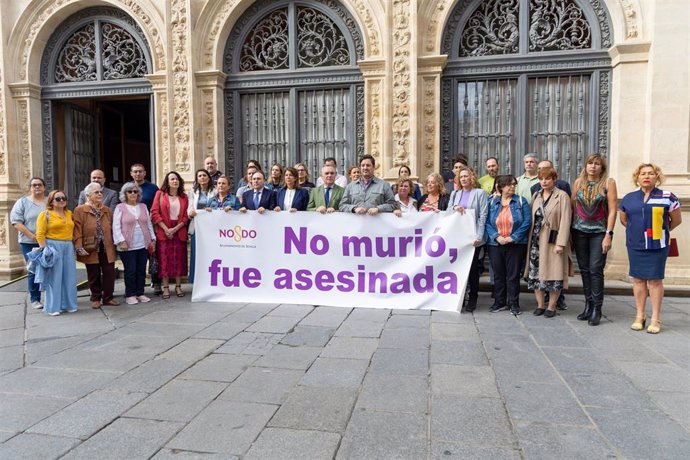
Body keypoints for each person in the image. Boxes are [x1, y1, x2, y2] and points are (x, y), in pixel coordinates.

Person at [620, 163, 682, 334]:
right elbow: (624, 220)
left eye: (650, 173)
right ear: (637, 177)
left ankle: (655, 318)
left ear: (657, 177)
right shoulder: (629, 198)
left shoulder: (668, 196)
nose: (646, 176)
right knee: (638, 279)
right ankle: (640, 316)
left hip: (657, 245)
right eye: (643, 173)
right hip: (635, 244)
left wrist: (660, 232)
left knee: (655, 280)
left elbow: (675, 220)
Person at [571, 153, 618, 326]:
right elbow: (572, 206)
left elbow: (613, 210)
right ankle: (588, 305)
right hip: (579, 231)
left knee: (595, 269)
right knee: (584, 269)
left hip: (599, 233)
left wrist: (608, 234)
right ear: (586, 165)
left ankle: (597, 309)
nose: (593, 166)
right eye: (590, 163)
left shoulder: (608, 183)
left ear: (602, 167)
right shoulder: (578, 182)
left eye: (597, 164)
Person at [524, 167, 572, 318]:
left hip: (553, 241)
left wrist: (561, 243)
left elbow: (566, 220)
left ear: (554, 179)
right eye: (541, 178)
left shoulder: (562, 196)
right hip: (536, 241)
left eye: (547, 178)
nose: (544, 181)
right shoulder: (536, 196)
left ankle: (551, 306)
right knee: (535, 274)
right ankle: (540, 305)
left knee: (554, 273)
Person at [486, 175, 531, 316]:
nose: (512, 187)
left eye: (514, 184)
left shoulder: (521, 201)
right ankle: (499, 302)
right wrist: (496, 236)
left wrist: (513, 237)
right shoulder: (492, 202)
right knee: (498, 274)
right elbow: (487, 221)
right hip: (495, 243)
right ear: (500, 186)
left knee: (513, 275)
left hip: (515, 244)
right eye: (509, 184)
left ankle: (513, 303)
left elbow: (527, 222)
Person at [448, 167, 488, 311]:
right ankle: (460, 295)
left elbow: (483, 215)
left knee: (472, 269)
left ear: (472, 177)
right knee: (459, 267)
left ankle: (473, 297)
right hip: (458, 236)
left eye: (466, 176)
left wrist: (479, 236)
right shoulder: (455, 194)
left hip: (473, 237)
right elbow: (448, 211)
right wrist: (455, 207)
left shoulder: (480, 193)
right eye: (461, 176)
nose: (464, 179)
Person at [74, 183, 119, 308]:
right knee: (93, 273)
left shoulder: (107, 210)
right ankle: (95, 298)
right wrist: (78, 246)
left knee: (109, 272)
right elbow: (77, 229)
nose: (100, 194)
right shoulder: (80, 210)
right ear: (88, 195)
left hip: (107, 245)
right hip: (90, 246)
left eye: (100, 192)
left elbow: (112, 228)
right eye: (96, 192)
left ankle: (108, 297)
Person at [35, 190, 78, 316]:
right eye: (58, 198)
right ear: (51, 201)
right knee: (54, 278)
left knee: (69, 276)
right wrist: (45, 249)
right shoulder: (45, 214)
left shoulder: (69, 213)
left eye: (63, 198)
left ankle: (69, 304)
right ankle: (53, 307)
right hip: (53, 246)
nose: (61, 200)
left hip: (68, 246)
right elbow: (40, 234)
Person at [113, 182, 156, 305]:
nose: (133, 194)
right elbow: (116, 226)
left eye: (135, 191)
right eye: (130, 191)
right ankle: (130, 294)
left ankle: (140, 292)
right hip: (127, 244)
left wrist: (153, 239)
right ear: (125, 194)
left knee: (141, 270)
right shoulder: (120, 207)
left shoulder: (143, 206)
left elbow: (148, 224)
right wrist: (121, 241)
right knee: (130, 270)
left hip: (143, 243)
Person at [10, 177, 48, 309]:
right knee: (34, 268)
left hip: (49, 241)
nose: (37, 187)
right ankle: (35, 299)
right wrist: (32, 236)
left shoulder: (49, 202)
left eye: (39, 185)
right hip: (29, 242)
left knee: (50, 268)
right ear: (30, 188)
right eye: (34, 185)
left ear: (44, 187)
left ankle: (52, 297)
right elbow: (16, 222)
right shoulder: (23, 202)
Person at [151, 171, 189, 299]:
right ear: (167, 182)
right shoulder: (160, 194)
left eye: (177, 179)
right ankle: (165, 287)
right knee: (165, 259)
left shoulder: (184, 196)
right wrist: (166, 229)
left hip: (179, 230)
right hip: (164, 230)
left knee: (179, 259)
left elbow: (185, 217)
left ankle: (178, 286)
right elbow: (155, 213)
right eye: (172, 179)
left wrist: (175, 229)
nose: (175, 181)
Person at [129, 163, 160, 294]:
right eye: (135, 172)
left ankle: (156, 282)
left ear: (145, 173)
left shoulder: (153, 188)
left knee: (152, 255)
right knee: (135, 257)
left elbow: (158, 205)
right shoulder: (127, 188)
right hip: (132, 227)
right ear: (131, 173)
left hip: (149, 225)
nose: (138, 174)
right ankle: (136, 287)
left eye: (140, 171)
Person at [187, 169, 216, 284]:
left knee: (210, 253)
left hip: (211, 228)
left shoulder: (215, 191)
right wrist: (190, 212)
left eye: (204, 175)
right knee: (196, 253)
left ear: (209, 178)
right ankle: (196, 281)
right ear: (197, 179)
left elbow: (218, 205)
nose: (202, 177)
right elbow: (189, 207)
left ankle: (210, 279)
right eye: (200, 176)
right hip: (197, 227)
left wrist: (212, 210)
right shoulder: (193, 192)